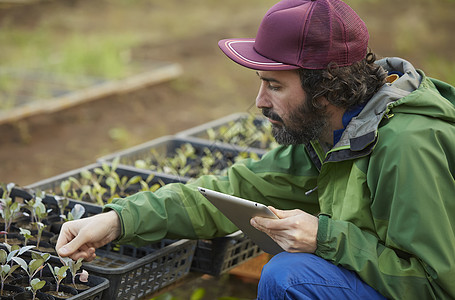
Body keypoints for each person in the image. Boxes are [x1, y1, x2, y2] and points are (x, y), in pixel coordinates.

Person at [56, 0, 455, 298]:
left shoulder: (407, 145)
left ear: (326, 89)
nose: (260, 102)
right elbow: (232, 190)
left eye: (275, 85)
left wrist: (326, 237)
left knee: (290, 276)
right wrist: (117, 220)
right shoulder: (334, 134)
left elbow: (438, 285)